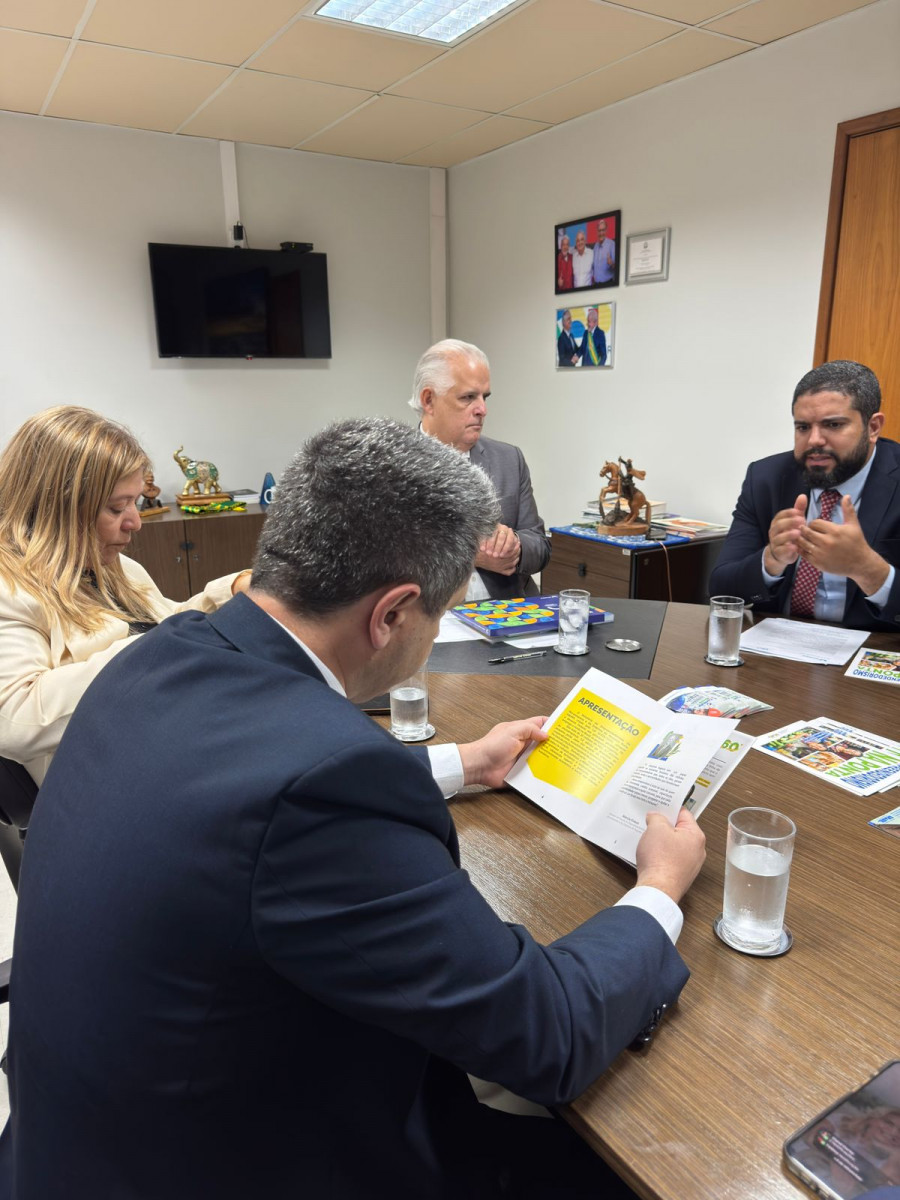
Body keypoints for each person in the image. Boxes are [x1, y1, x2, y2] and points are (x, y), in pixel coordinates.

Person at [0, 418, 707, 1200]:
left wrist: (461, 762)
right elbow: (547, 1032)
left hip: (75, 1146)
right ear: (392, 615)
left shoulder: (156, 657)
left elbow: (247, 783)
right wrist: (658, 891)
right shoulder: (323, 787)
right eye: (439, 618)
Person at [0, 406, 251, 785]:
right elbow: (15, 720)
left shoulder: (113, 567)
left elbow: (170, 623)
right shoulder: (10, 587)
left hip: (179, 746)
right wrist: (150, 651)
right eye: (116, 507)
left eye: (134, 502)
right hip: (112, 787)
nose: (134, 522)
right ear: (56, 508)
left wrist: (230, 593)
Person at [708, 361, 900, 631]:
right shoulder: (766, 478)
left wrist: (867, 569)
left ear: (873, 427)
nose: (814, 441)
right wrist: (771, 560)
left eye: (833, 425)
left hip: (871, 654)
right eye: (803, 427)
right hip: (778, 652)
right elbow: (721, 589)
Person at [409, 338, 551, 599]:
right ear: (429, 401)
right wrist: (472, 553)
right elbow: (384, 557)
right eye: (468, 397)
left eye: (484, 397)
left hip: (507, 617)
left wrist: (515, 548)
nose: (482, 410)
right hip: (430, 622)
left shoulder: (509, 459)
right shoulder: (392, 467)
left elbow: (541, 546)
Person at [592, 219, 616, 285]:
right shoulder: (595, 246)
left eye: (603, 230)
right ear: (597, 231)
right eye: (599, 230)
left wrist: (611, 263)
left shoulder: (612, 244)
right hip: (596, 284)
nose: (601, 233)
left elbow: (617, 267)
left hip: (608, 283)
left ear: (606, 230)